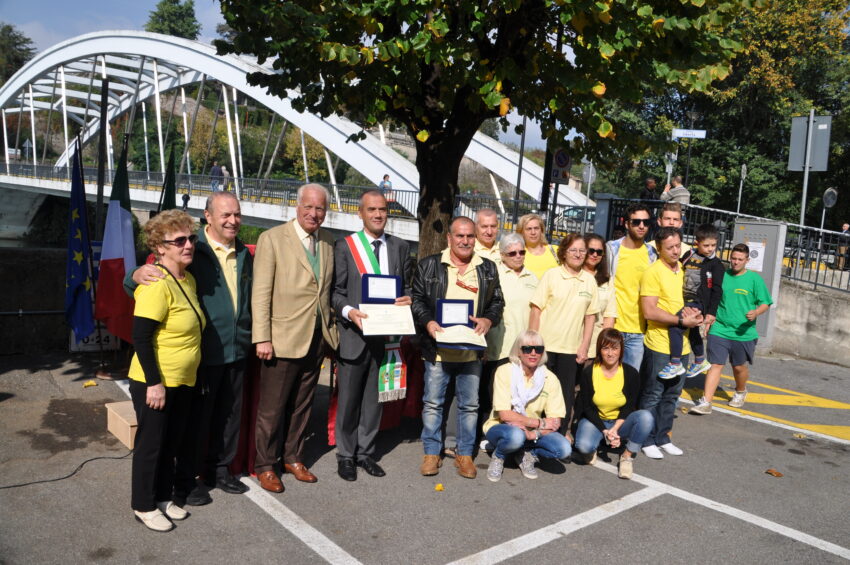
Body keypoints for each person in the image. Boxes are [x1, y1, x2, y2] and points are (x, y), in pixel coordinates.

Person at [127, 191, 253, 506]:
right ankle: (187, 479)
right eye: (225, 214)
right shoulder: (193, 251)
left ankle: (220, 471)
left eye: (236, 214)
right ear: (208, 216)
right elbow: (145, 286)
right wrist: (135, 275)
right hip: (202, 355)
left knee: (229, 415)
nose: (232, 220)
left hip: (236, 348)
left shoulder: (246, 254)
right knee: (194, 424)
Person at [252, 184, 339, 493]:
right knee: (273, 407)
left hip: (316, 338)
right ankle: (265, 465)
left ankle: (293, 457)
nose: (314, 214)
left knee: (303, 404)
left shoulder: (328, 241)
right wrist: (262, 337)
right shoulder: (273, 239)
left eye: (320, 209)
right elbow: (261, 293)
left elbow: (326, 292)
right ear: (297, 206)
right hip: (281, 338)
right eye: (309, 207)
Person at [128, 210, 205, 532]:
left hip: (183, 379)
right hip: (157, 381)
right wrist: (154, 383)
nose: (188, 245)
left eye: (191, 238)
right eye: (180, 240)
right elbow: (141, 337)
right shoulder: (156, 283)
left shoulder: (187, 279)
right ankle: (143, 505)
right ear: (160, 247)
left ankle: (162, 497)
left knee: (171, 443)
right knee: (151, 445)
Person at [411, 216, 504, 479]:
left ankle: (464, 454)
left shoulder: (487, 268)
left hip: (470, 351)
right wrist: (428, 321)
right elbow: (417, 299)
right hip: (438, 350)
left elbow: (497, 302)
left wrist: (488, 319)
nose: (465, 241)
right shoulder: (430, 265)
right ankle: (431, 452)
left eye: (470, 236)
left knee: (469, 405)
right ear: (449, 238)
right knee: (432, 403)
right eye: (460, 236)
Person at [332, 190, 414, 481]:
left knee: (373, 401)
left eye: (382, 209)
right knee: (349, 401)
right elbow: (336, 293)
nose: (378, 214)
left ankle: (365, 453)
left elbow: (408, 288)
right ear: (361, 213)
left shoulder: (401, 247)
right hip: (354, 335)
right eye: (372, 210)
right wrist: (349, 312)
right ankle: (345, 455)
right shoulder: (345, 246)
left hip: (385, 338)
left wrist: (408, 299)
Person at [638, 227, 703, 459]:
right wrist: (680, 320)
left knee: (672, 395)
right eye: (670, 247)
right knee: (654, 394)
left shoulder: (684, 269)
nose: (675, 251)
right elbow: (649, 311)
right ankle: (645, 439)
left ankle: (663, 436)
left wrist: (698, 314)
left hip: (683, 345)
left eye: (678, 246)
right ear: (659, 249)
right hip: (660, 345)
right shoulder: (653, 272)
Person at [529, 233, 599, 438]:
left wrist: (584, 346)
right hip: (545, 347)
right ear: (564, 253)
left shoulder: (589, 281)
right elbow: (536, 310)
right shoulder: (552, 275)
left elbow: (590, 318)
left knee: (564, 397)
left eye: (582, 250)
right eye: (573, 250)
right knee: (537, 393)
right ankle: (532, 436)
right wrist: (534, 343)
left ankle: (557, 436)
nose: (578, 254)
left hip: (570, 350)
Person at [690, 244, 773, 414]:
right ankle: (706, 402)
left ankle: (741, 391)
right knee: (715, 364)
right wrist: (709, 319)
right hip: (719, 327)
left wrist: (756, 312)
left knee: (739, 367)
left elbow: (766, 302)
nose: (735, 262)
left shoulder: (754, 279)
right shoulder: (722, 275)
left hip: (743, 332)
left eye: (740, 259)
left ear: (747, 260)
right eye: (733, 258)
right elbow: (713, 297)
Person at [483, 331, 571, 482]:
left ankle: (527, 453)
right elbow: (504, 415)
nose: (533, 353)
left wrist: (533, 434)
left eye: (538, 349)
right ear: (518, 351)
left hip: (534, 432)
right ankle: (499, 455)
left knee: (564, 449)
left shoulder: (550, 378)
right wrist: (539, 423)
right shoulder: (504, 371)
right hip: (501, 426)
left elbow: (555, 421)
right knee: (516, 436)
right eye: (527, 349)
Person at [573, 329, 654, 480]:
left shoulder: (631, 373)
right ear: (599, 350)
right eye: (606, 348)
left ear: (621, 350)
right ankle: (599, 442)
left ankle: (626, 456)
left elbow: (629, 406)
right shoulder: (589, 372)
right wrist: (605, 430)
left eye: (615, 348)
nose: (610, 353)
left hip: (620, 422)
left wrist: (615, 429)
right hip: (596, 420)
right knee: (584, 447)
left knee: (646, 417)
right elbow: (587, 408)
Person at [480, 232, 539, 439]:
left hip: (521, 349)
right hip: (497, 346)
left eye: (521, 252)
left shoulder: (533, 278)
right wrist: (484, 344)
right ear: (502, 255)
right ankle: (487, 434)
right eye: (512, 252)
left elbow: (536, 312)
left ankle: (511, 434)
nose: (518, 256)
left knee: (516, 397)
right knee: (491, 395)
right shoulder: (493, 275)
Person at [658, 223, 725, 380]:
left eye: (713, 245)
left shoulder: (716, 265)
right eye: (706, 245)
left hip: (698, 302)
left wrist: (710, 313)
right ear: (697, 243)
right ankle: (700, 360)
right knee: (693, 330)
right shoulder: (689, 255)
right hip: (685, 299)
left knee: (676, 327)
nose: (710, 249)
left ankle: (675, 363)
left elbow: (717, 291)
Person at [606, 204, 658, 370]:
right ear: (627, 223)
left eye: (645, 222)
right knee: (606, 379)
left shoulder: (652, 254)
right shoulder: (612, 249)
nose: (642, 226)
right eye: (636, 222)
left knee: (631, 383)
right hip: (613, 327)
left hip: (639, 332)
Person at [583, 233, 617, 363]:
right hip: (569, 343)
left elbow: (609, 316)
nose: (594, 254)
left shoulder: (607, 281)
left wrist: (604, 345)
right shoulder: (574, 275)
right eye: (591, 250)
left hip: (594, 346)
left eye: (599, 252)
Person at [516, 213, 559, 279]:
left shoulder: (555, 251)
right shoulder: (517, 254)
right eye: (529, 229)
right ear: (521, 232)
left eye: (536, 228)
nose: (533, 232)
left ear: (541, 231)